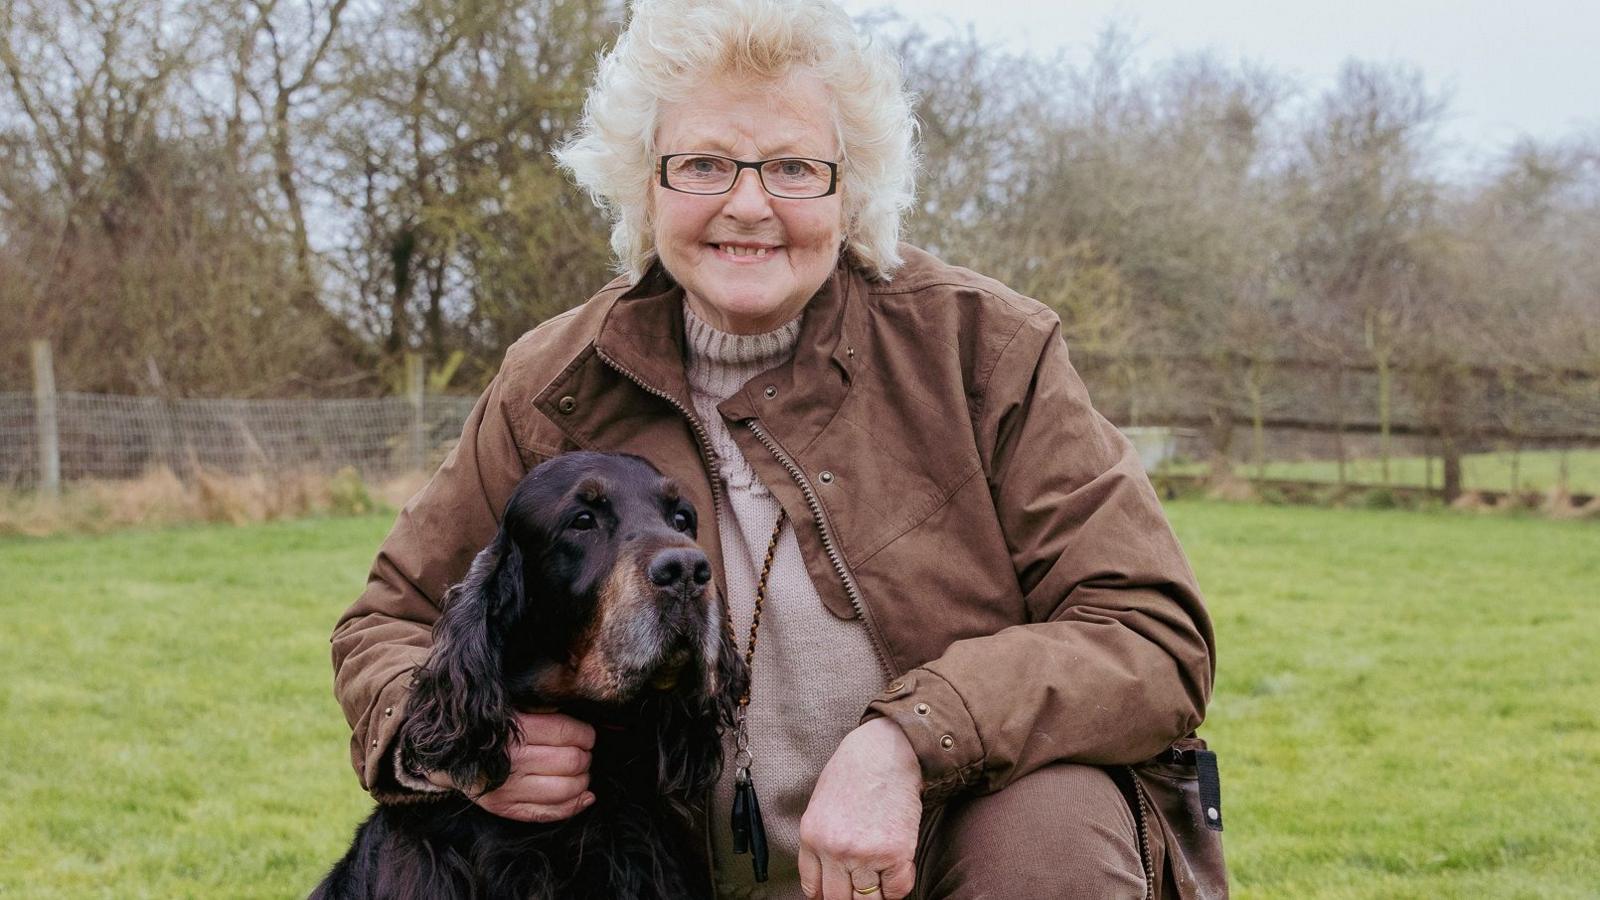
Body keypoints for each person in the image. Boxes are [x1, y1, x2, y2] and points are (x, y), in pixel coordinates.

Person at [330, 0, 1221, 897]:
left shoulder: (984, 350)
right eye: (704, 164)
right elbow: (388, 623)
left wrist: (911, 738)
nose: (748, 204)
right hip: (656, 872)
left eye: (794, 167)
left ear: (851, 190)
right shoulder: (551, 383)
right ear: (647, 186)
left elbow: (1149, 631)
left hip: (942, 851)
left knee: (1051, 827)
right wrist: (483, 746)